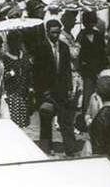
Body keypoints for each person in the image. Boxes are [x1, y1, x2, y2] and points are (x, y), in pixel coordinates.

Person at [34, 19, 76, 155]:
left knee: (66, 121)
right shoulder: (40, 47)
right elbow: (37, 72)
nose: (55, 35)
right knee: (46, 121)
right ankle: (45, 149)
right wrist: (42, 91)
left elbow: (67, 70)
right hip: (46, 91)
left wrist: (69, 87)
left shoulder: (64, 47)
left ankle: (70, 149)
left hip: (62, 90)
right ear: (47, 32)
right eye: (53, 33)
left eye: (58, 32)